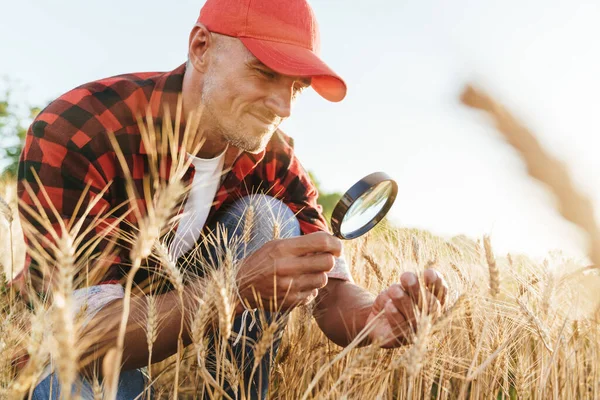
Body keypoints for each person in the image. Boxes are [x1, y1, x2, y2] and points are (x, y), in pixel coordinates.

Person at [12, 0, 449, 398]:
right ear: (201, 47)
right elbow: (83, 341)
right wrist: (235, 287)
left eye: (295, 87)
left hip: (174, 311)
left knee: (268, 217)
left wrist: (373, 317)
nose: (284, 106)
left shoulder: (274, 157)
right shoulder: (78, 130)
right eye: (263, 71)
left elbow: (333, 295)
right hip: (70, 344)